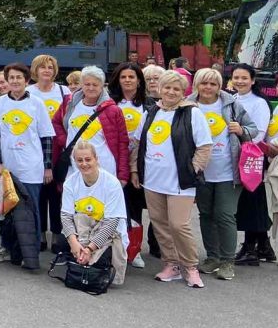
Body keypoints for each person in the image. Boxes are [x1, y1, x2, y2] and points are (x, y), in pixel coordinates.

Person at [130, 71, 211, 288]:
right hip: (153, 180)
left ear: (183, 92)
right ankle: (171, 264)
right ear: (160, 89)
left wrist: (193, 170)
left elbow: (204, 147)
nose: (171, 92)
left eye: (176, 89)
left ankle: (190, 267)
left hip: (180, 181)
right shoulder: (151, 112)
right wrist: (135, 170)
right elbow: (137, 144)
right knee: (160, 224)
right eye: (167, 87)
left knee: (178, 225)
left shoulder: (192, 113)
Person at [188, 67, 257, 280]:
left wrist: (242, 130)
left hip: (228, 171)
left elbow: (253, 128)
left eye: (213, 84)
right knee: (206, 214)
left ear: (220, 86)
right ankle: (213, 257)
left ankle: (228, 260)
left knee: (225, 214)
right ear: (196, 85)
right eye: (204, 83)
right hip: (201, 172)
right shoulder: (188, 105)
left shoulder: (231, 104)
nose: (208, 87)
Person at [51, 66, 129, 253]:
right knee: (77, 208)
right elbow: (56, 123)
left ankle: (102, 250)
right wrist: (65, 141)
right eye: (87, 84)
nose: (91, 88)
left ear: (103, 86)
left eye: (95, 84)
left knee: (102, 210)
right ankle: (76, 248)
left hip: (104, 166)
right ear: (81, 85)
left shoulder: (113, 110)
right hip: (76, 166)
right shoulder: (70, 103)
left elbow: (122, 142)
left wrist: (123, 173)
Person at [0, 62, 55, 264]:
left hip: (31, 168)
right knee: (6, 211)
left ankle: (30, 253)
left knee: (31, 212)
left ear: (27, 80)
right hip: (8, 169)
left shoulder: (37, 104)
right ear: (7, 81)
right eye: (11, 77)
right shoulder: (0, 103)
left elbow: (46, 138)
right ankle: (7, 248)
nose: (15, 81)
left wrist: (47, 166)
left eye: (19, 77)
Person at [59, 140, 129, 286]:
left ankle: (90, 261)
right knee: (76, 222)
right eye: (79, 160)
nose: (84, 164)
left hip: (108, 232)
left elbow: (111, 223)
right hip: (83, 230)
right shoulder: (70, 183)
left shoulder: (112, 183)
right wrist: (74, 243)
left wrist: (90, 248)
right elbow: (66, 216)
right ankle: (81, 258)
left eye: (88, 159)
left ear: (96, 159)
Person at [108, 61, 156, 268]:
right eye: (123, 77)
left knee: (135, 207)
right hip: (114, 161)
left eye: (131, 77)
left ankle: (133, 249)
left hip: (139, 163)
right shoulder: (109, 102)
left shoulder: (150, 104)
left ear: (139, 80)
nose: (127, 80)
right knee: (114, 206)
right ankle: (111, 246)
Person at [231, 63, 275, 265]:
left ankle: (250, 248)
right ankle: (264, 246)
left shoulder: (259, 103)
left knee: (251, 201)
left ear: (253, 80)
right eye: (236, 77)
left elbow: (258, 133)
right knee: (251, 201)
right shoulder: (232, 99)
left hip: (251, 156)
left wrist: (240, 135)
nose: (239, 81)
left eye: (244, 78)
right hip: (235, 155)